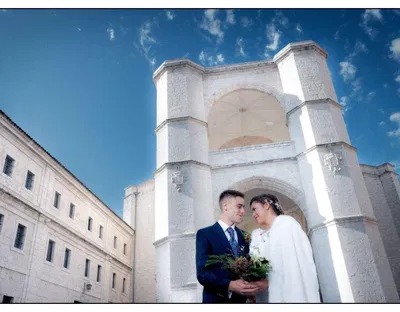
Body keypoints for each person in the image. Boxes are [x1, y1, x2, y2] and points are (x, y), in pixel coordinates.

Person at [196, 190, 267, 303]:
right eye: (239, 207)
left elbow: (251, 268)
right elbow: (202, 274)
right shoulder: (205, 234)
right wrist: (230, 285)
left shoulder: (245, 236)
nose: (243, 211)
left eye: (243, 207)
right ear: (225, 206)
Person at [249, 193, 321, 303]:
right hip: (264, 296)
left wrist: (269, 283)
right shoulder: (257, 236)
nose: (253, 215)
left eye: (255, 209)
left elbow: (293, 264)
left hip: (288, 292)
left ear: (266, 205)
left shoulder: (286, 225)